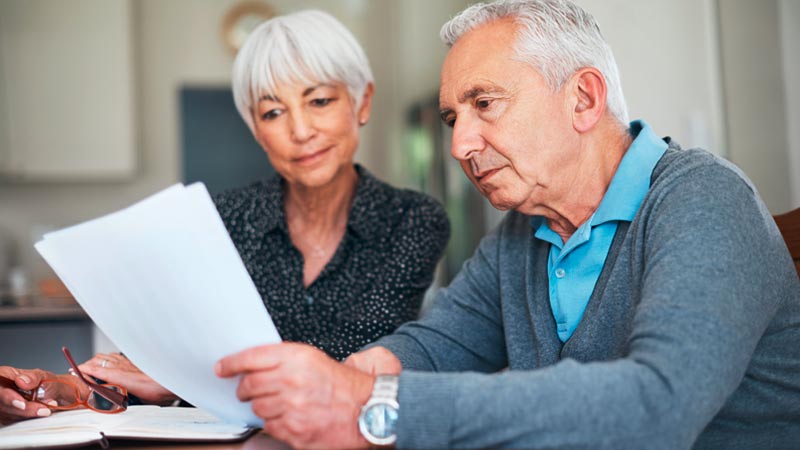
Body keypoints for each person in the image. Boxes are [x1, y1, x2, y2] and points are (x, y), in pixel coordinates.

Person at [209, 1, 800, 449]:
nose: (461, 144)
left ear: (583, 99)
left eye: (484, 103)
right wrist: (320, 393)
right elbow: (434, 346)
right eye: (452, 117)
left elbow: (659, 404)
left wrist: (369, 405)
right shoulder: (520, 236)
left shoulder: (704, 197)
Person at [0, 9, 449, 423]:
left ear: (362, 103)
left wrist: (188, 378)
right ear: (256, 129)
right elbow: (157, 353)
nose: (299, 131)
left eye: (319, 101)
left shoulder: (412, 218)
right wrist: (69, 389)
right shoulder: (223, 217)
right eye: (273, 111)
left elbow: (359, 358)